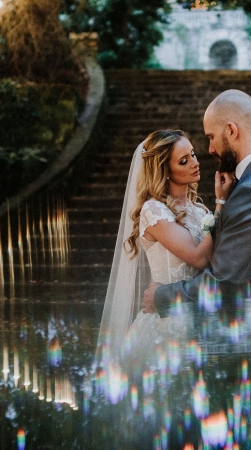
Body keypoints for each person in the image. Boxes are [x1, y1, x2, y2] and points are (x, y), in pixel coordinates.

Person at [141, 90, 251, 353]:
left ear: (231, 130)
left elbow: (224, 281)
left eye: (210, 137)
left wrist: (162, 296)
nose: (209, 150)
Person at [96, 129, 234, 366]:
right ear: (165, 171)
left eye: (192, 154)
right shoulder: (154, 210)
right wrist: (221, 203)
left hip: (199, 318)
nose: (195, 163)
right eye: (184, 160)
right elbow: (199, 258)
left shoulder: (200, 211)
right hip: (167, 324)